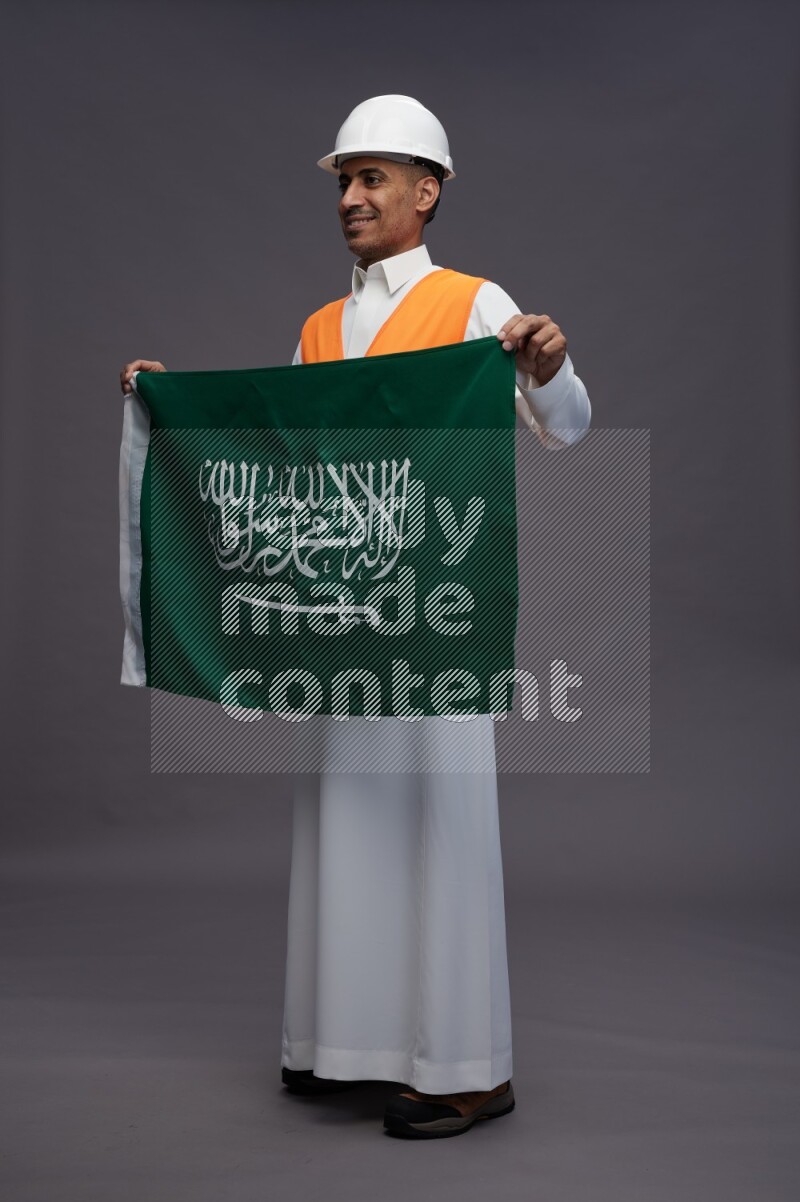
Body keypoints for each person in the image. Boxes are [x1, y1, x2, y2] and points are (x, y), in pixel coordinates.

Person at [120, 94, 591, 1140]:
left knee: (442, 823)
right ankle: (344, 1045)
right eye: (343, 179)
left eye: (372, 177)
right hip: (337, 619)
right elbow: (274, 458)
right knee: (345, 821)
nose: (350, 196)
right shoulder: (320, 327)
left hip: (433, 613)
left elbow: (565, 426)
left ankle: (468, 1066)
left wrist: (547, 367)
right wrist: (175, 405)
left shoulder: (475, 302)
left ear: (427, 192)